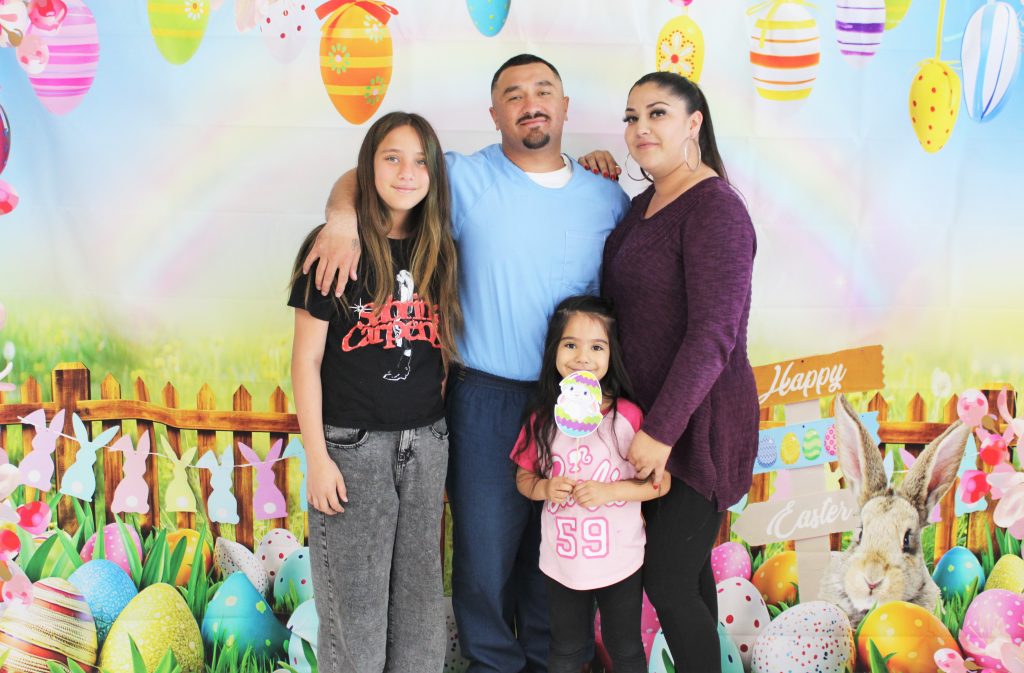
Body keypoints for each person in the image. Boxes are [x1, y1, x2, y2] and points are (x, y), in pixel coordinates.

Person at [306, 55, 630, 673]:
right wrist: (342, 217)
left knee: (557, 552)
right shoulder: (465, 179)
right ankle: (490, 665)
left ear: (565, 108)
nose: (529, 102)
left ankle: (552, 662)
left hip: (577, 406)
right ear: (494, 114)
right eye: (513, 94)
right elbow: (370, 175)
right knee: (482, 557)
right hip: (486, 397)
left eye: (544, 91)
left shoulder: (606, 197)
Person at [596, 72, 759, 673]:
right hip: (655, 423)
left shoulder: (715, 208)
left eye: (657, 114)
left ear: (693, 124)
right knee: (686, 580)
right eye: (632, 116)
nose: (641, 128)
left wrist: (660, 432)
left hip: (699, 430)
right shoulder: (644, 205)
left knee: (666, 580)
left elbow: (714, 334)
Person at [289, 111, 461, 673]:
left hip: (428, 443)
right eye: (392, 157)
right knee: (356, 614)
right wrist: (316, 456)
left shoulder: (440, 248)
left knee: (419, 610)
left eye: (420, 161)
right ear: (368, 166)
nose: (407, 171)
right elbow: (307, 358)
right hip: (352, 448)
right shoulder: (335, 247)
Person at [511, 295, 669, 673]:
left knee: (624, 647)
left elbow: (658, 486)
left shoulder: (627, 418)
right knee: (565, 648)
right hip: (562, 562)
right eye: (570, 345)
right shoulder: (541, 418)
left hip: (620, 561)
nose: (582, 357)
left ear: (612, 354)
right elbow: (523, 477)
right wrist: (544, 489)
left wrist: (610, 492)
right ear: (554, 350)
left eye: (597, 347)